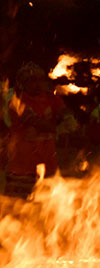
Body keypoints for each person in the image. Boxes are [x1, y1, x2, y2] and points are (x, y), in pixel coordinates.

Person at [5, 62, 66, 196]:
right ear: (23, 84)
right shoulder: (17, 102)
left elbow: (65, 115)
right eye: (32, 81)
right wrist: (59, 128)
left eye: (40, 80)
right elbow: (37, 122)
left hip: (48, 165)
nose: (38, 84)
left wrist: (65, 119)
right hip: (23, 168)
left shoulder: (51, 99)